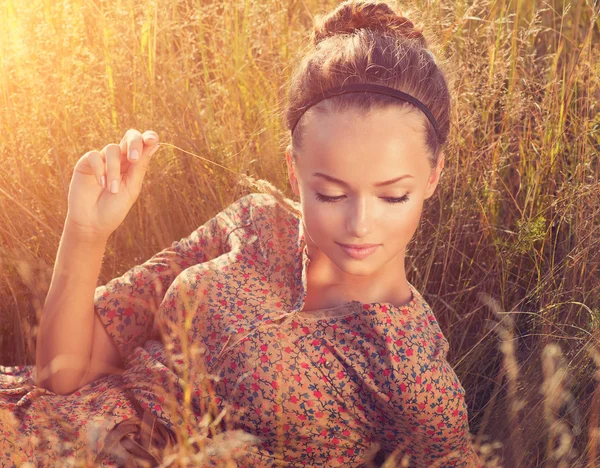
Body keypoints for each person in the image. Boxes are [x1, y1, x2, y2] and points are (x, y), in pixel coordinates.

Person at [0, 0, 483, 466]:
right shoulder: (255, 221)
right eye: (331, 194)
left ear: (434, 174)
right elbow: (62, 375)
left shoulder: (415, 376)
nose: (359, 224)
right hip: (43, 429)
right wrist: (86, 231)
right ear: (295, 172)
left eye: (392, 196)